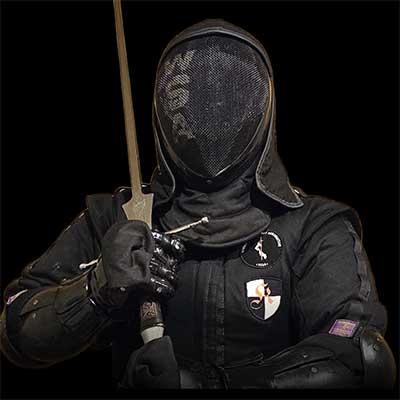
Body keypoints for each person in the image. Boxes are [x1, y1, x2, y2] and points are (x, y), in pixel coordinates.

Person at [0, 19, 396, 390]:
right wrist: (96, 288)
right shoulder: (117, 219)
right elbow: (16, 330)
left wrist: (207, 383)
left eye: (231, 94)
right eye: (198, 97)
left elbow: (360, 353)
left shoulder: (312, 226)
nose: (214, 108)